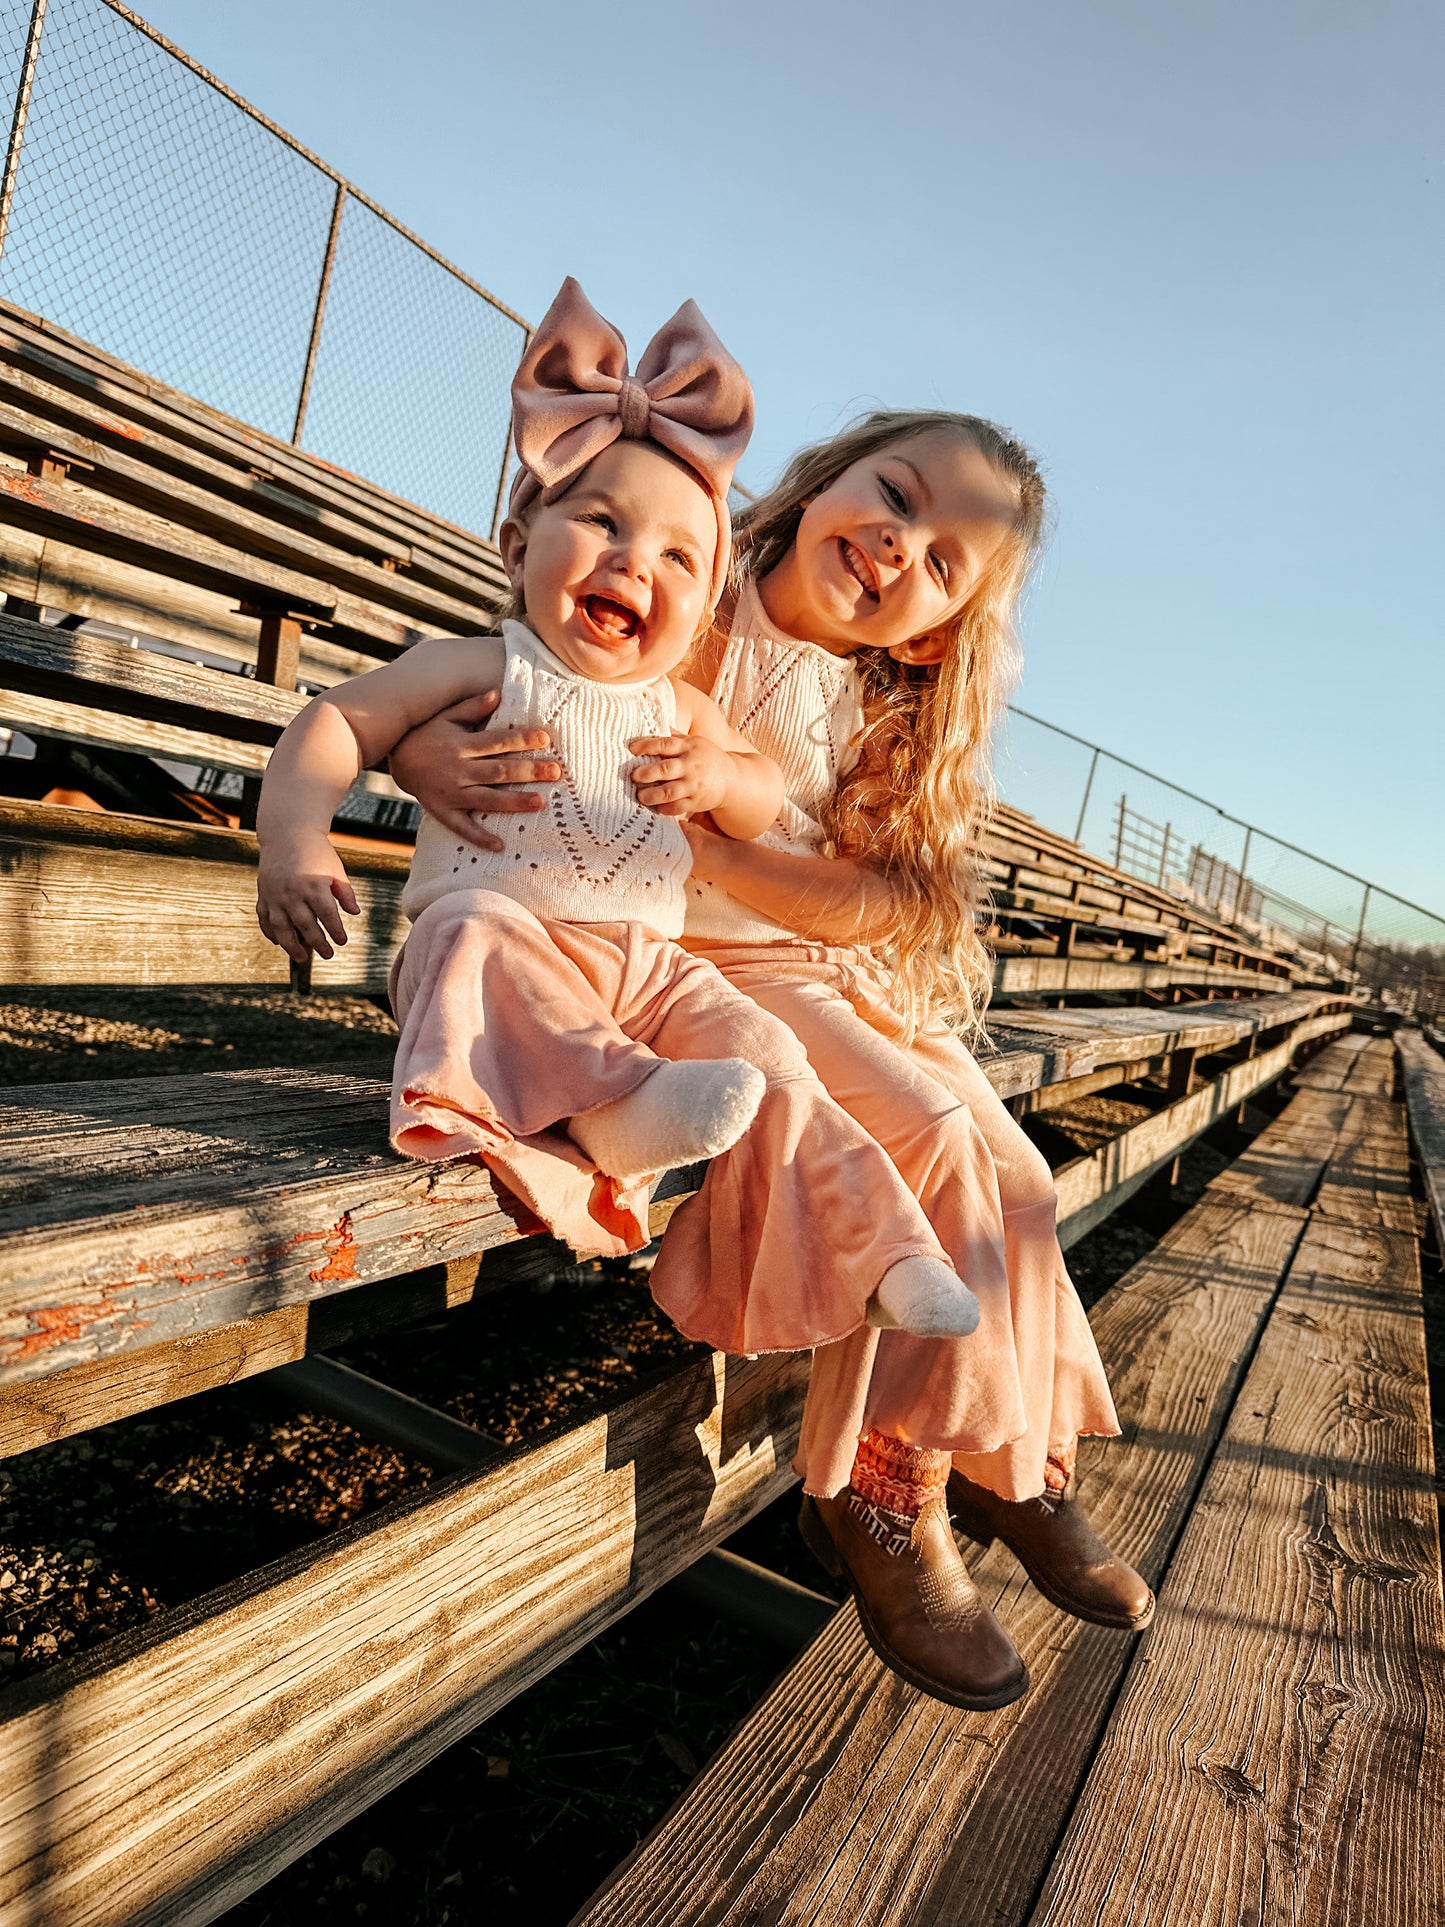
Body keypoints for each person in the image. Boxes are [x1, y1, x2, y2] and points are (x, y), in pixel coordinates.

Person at [391, 404, 1155, 1704]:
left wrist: (737, 850)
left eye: (941, 561)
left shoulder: (877, 704)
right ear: (822, 484)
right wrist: (414, 743)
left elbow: (885, 899)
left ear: (930, 628)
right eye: (896, 496)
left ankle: (1010, 1457)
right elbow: (508, 662)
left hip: (805, 967)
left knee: (1021, 1181)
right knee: (920, 1128)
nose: (899, 545)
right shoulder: (692, 582)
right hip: (677, 966)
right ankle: (875, 1488)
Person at [256, 280, 985, 1410]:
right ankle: (621, 1105)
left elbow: (756, 792)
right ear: (518, 539)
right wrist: (297, 838)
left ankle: (888, 1251)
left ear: (700, 613)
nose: (632, 562)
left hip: (643, 969)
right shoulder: (485, 663)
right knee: (478, 933)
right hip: (502, 950)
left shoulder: (675, 704)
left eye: (676, 557)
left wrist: (720, 778)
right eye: (598, 523)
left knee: (759, 1055)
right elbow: (337, 719)